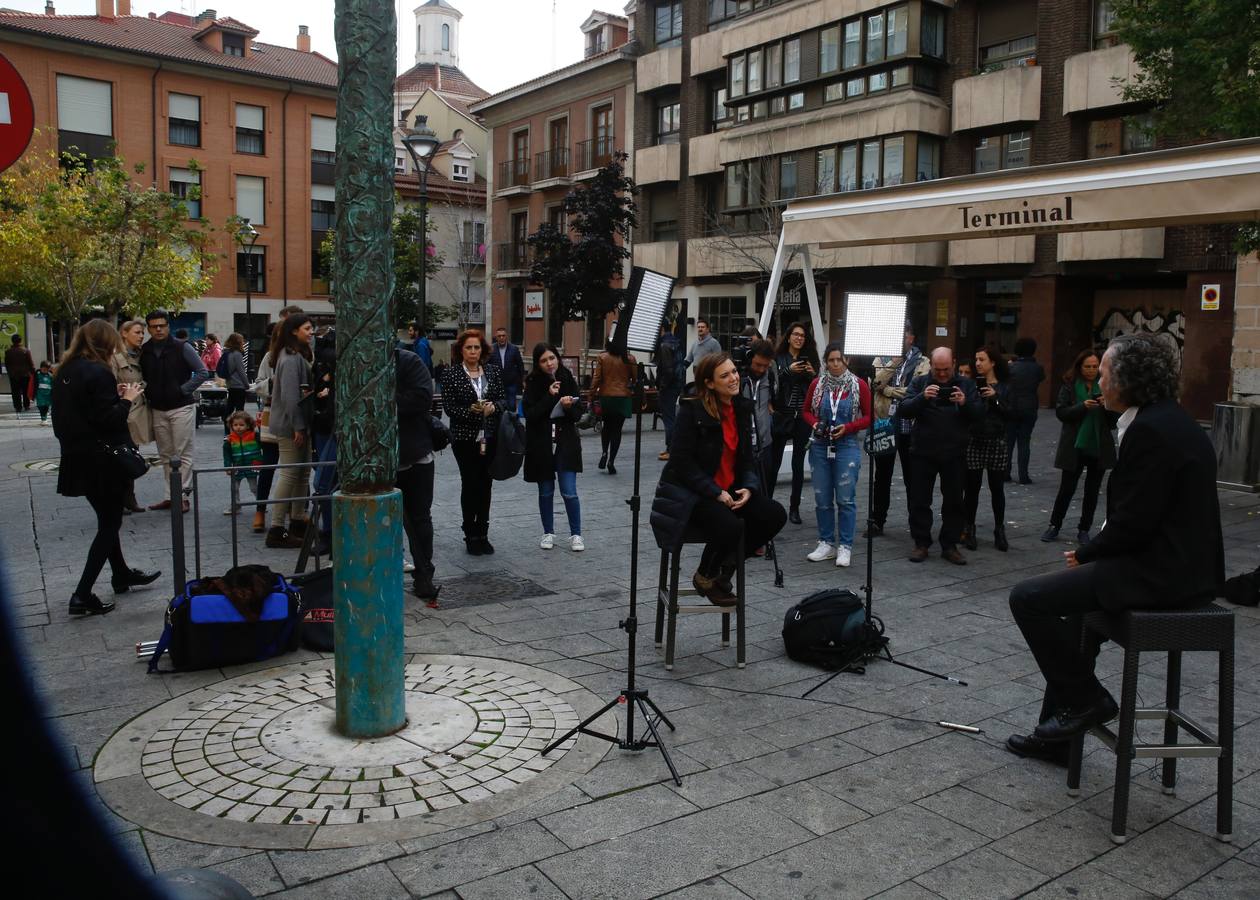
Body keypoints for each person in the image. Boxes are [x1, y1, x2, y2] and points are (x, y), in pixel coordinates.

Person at [1006, 334, 1223, 763]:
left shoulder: (1153, 431)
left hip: (1164, 575)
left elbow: (1134, 524)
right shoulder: (1165, 420)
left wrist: (1086, 554)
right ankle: (1059, 738)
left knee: (1028, 598)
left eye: (1103, 372)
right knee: (1073, 625)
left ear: (1126, 379)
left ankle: (1087, 698)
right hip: (1172, 565)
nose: (1099, 380)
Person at [649, 354, 787, 606]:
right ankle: (705, 576)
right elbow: (680, 463)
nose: (734, 378)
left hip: (729, 488)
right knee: (730, 525)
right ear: (710, 383)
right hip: (693, 492)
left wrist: (748, 487)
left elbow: (746, 459)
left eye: (734, 371)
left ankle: (723, 571)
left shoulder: (741, 409)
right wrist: (714, 492)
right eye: (725, 375)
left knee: (774, 514)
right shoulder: (692, 409)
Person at [52, 319, 159, 616]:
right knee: (110, 523)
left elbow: (68, 417)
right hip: (103, 460)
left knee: (107, 518)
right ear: (106, 342)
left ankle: (121, 573)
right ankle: (82, 593)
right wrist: (127, 399)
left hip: (76, 457)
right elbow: (109, 419)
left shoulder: (66, 370)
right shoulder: (98, 372)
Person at [898, 347, 982, 565]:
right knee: (919, 499)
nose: (942, 374)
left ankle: (950, 544)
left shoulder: (966, 384)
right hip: (923, 451)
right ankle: (921, 543)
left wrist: (964, 403)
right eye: (938, 370)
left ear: (953, 363)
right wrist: (922, 398)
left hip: (955, 452)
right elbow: (904, 409)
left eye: (946, 369)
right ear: (931, 366)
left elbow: (979, 414)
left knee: (954, 500)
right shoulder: (920, 382)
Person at [801, 342, 872, 568]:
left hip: (847, 445)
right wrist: (815, 424)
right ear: (825, 362)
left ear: (846, 361)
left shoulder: (859, 385)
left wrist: (849, 428)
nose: (834, 364)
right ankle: (826, 543)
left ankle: (845, 546)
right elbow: (805, 411)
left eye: (838, 360)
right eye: (830, 360)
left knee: (845, 499)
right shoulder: (817, 384)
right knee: (822, 499)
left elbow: (870, 417)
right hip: (820, 445)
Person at [1042, 349, 1117, 545]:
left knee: (1092, 491)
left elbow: (1114, 420)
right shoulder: (1070, 385)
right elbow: (1061, 413)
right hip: (1074, 445)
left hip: (1098, 445)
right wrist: (1082, 406)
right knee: (1067, 488)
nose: (1091, 370)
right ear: (1079, 367)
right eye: (1087, 367)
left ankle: (1084, 529)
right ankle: (1054, 525)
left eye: (1094, 366)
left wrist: (1107, 405)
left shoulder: (1107, 385)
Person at [440, 329, 504, 555]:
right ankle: (470, 533)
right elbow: (450, 407)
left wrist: (494, 407)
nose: (473, 351)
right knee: (470, 483)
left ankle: (483, 531)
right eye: (469, 347)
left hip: (489, 436)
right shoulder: (451, 374)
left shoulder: (494, 372)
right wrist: (475, 412)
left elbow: (503, 399)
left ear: (482, 350)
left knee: (486, 484)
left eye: (477, 347)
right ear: (461, 350)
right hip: (464, 438)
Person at [138, 309, 209, 512]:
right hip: (158, 408)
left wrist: (182, 390)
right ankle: (171, 496)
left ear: (168, 326)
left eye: (162, 325)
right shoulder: (146, 350)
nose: (159, 329)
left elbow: (203, 372)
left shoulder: (182, 347)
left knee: (183, 453)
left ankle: (182, 496)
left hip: (181, 406)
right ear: (149, 328)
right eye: (154, 326)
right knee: (166, 454)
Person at [868, 323, 929, 538]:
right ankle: (877, 521)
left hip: (909, 428)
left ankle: (916, 524)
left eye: (900, 334)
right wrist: (893, 363)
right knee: (881, 476)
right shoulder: (882, 359)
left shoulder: (923, 361)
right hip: (885, 425)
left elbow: (916, 391)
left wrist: (888, 390)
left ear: (911, 337)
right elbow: (875, 382)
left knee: (912, 478)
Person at [523, 343, 585, 552]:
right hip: (541, 444)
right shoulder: (532, 383)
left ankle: (576, 534)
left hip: (565, 441)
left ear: (557, 358)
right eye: (543, 360)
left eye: (552, 358)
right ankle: (548, 532)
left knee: (569, 491)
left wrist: (568, 407)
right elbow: (530, 415)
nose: (549, 364)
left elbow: (578, 412)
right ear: (538, 364)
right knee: (546, 490)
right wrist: (549, 396)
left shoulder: (567, 378)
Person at [264, 314, 315, 549]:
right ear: (294, 331)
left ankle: (296, 521)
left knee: (301, 472)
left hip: (294, 422)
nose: (311, 331)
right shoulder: (291, 357)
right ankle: (276, 528)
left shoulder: (291, 355)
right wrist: (298, 426)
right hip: (290, 424)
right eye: (307, 328)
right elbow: (290, 395)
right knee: (289, 473)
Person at [396, 346, 438, 601]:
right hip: (376, 456)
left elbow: (424, 398)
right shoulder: (357, 360)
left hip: (414, 453)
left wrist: (385, 398)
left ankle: (424, 575)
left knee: (419, 518)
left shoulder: (408, 361)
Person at [962, 345, 1013, 553]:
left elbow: (1012, 412)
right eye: (976, 359)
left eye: (982, 359)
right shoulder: (971, 385)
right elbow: (968, 412)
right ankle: (969, 528)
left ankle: (999, 530)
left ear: (993, 362)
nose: (977, 363)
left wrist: (995, 397)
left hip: (997, 440)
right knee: (971, 488)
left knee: (997, 488)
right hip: (975, 439)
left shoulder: (1005, 386)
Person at [769, 321, 819, 523]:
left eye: (803, 335)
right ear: (788, 337)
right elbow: (773, 385)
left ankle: (794, 508)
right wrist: (788, 371)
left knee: (799, 463)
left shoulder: (811, 360)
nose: (799, 338)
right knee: (774, 463)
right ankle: (768, 504)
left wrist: (813, 375)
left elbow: (816, 389)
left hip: (802, 418)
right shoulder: (778, 359)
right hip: (782, 415)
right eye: (796, 334)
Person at [111, 322, 149, 515]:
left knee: (132, 455)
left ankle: (129, 497)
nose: (141, 335)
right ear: (124, 334)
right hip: (124, 411)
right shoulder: (115, 357)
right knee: (121, 456)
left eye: (142, 332)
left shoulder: (142, 354)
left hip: (138, 411)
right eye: (137, 332)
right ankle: (119, 498)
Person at [591, 343, 637, 475]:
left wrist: (591, 394)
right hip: (623, 397)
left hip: (606, 396)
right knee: (617, 430)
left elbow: (597, 378)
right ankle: (611, 460)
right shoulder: (630, 358)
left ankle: (604, 452)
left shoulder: (603, 357)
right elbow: (635, 380)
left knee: (606, 427)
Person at [1006, 337, 1046, 484]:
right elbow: (1041, 379)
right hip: (1029, 406)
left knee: (1008, 441)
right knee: (1024, 442)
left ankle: (1006, 472)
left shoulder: (1011, 367)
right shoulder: (1038, 368)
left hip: (1012, 405)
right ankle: (1024, 475)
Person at [739, 339, 777, 491]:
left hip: (765, 443)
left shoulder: (770, 376)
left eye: (765, 365)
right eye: (758, 365)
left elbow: (774, 400)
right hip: (742, 444)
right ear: (750, 359)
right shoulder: (738, 378)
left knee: (764, 486)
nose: (761, 369)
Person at [222, 410, 263, 515]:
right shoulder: (229, 440)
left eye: (241, 425)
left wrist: (261, 461)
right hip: (237, 467)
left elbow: (265, 447)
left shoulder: (255, 436)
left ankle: (261, 505)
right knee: (234, 488)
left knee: (254, 487)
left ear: (248, 425)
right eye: (235, 425)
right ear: (231, 425)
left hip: (252, 465)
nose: (238, 427)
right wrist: (227, 466)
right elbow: (226, 455)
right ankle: (236, 506)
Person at [654, 321, 684, 461]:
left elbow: (668, 369)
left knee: (669, 418)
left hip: (669, 386)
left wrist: (662, 386)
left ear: (661, 329)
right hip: (676, 384)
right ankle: (672, 447)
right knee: (671, 416)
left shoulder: (664, 345)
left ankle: (670, 448)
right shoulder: (675, 342)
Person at [488, 326, 524, 412]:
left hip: (511, 383)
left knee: (511, 405)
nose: (501, 338)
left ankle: (511, 423)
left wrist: (521, 379)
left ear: (506, 336)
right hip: (496, 383)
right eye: (499, 336)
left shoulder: (514, 349)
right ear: (496, 337)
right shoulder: (491, 349)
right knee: (498, 406)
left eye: (503, 335)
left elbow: (520, 365)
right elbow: (487, 365)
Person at [219, 333, 249, 433]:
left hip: (231, 384)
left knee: (229, 408)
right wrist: (247, 384)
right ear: (238, 342)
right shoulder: (237, 354)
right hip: (239, 385)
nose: (243, 342)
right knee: (240, 410)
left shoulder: (228, 353)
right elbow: (241, 371)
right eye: (242, 340)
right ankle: (239, 430)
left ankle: (227, 430)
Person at [5, 333, 34, 413]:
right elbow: (30, 363)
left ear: (12, 341)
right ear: (21, 341)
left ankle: (18, 407)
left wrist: (10, 373)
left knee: (15, 391)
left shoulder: (8, 352)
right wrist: (33, 372)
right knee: (25, 391)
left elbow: (7, 364)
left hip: (13, 375)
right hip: (25, 374)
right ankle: (26, 405)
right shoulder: (26, 351)